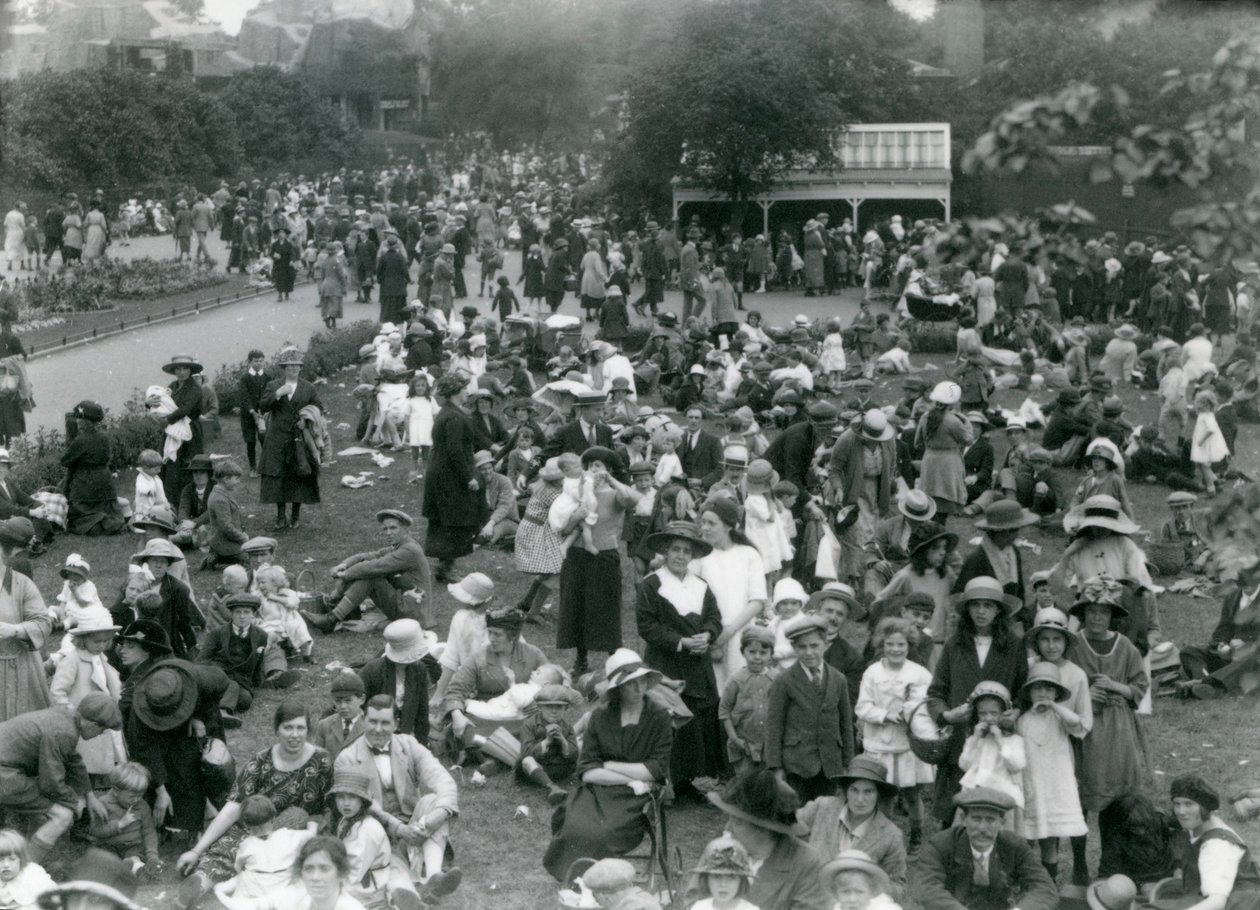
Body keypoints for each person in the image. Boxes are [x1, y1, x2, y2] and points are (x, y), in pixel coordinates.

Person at [175, 700, 334, 894]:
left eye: (300, 728)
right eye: (288, 728)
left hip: (296, 831)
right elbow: (233, 807)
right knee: (228, 847)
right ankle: (198, 883)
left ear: (308, 730)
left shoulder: (322, 760)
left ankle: (249, 874)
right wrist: (196, 850)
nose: (294, 735)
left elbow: (328, 807)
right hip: (255, 825)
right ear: (277, 730)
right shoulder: (261, 761)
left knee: (290, 822)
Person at [543, 648, 673, 882]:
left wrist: (610, 764)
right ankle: (578, 877)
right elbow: (588, 772)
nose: (639, 688)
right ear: (617, 689)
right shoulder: (601, 717)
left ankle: (594, 878)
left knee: (603, 833)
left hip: (637, 796)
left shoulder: (659, 716)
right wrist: (633, 774)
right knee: (574, 827)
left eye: (642, 680)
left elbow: (656, 770)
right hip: (598, 791)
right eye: (631, 683)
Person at [1067, 573, 1150, 886]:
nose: (1097, 617)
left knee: (1114, 801)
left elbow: (1140, 687)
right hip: (1084, 733)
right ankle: (1078, 866)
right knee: (1080, 799)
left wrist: (1116, 687)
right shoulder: (1074, 645)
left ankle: (1109, 864)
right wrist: (1086, 694)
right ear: (1083, 615)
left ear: (1113, 616)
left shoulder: (1125, 646)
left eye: (1103, 612)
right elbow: (1063, 685)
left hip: (1117, 732)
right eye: (1091, 611)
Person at [925, 576, 1028, 825]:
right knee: (955, 809)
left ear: (999, 611)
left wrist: (1016, 712)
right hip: (962, 740)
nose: (981, 611)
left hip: (997, 741)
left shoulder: (1013, 646)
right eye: (976, 605)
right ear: (967, 609)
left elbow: (1023, 690)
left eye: (988, 605)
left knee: (994, 810)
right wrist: (947, 715)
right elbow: (936, 692)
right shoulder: (955, 645)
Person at [334, 696, 461, 898]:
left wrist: (440, 812)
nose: (378, 729)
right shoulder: (347, 758)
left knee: (432, 801)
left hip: (414, 823)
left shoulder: (408, 744)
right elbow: (363, 804)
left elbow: (442, 779)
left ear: (396, 724)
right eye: (372, 721)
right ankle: (407, 893)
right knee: (389, 861)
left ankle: (434, 877)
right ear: (363, 720)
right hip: (374, 829)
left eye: (385, 723)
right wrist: (399, 829)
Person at [635, 520, 726, 797]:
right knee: (668, 717)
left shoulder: (701, 585)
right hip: (666, 664)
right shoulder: (651, 585)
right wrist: (681, 642)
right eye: (675, 549)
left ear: (692, 556)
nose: (680, 556)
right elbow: (647, 626)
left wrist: (707, 635)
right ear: (665, 551)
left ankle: (687, 781)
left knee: (696, 721)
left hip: (697, 666)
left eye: (687, 551)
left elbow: (714, 617)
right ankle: (663, 780)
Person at [0, 694, 119, 862]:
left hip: (7, 770)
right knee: (62, 815)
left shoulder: (65, 717)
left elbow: (73, 760)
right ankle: (24, 872)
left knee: (45, 813)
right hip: (5, 774)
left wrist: (90, 796)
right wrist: (74, 802)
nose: (100, 734)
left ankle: (24, 860)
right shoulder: (64, 732)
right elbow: (51, 784)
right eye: (102, 729)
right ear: (92, 724)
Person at [124, 658, 229, 845]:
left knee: (192, 765)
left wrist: (197, 715)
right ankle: (160, 825)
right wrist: (161, 790)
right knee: (155, 774)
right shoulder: (140, 711)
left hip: (194, 719)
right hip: (154, 729)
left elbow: (223, 682)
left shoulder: (203, 679)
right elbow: (146, 752)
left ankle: (197, 822)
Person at [554, 446, 639, 676]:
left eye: (599, 465)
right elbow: (564, 530)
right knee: (577, 607)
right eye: (590, 465)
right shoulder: (577, 494)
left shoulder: (615, 495)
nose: (594, 469)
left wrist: (611, 479)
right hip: (577, 557)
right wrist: (576, 517)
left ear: (608, 469)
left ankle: (615, 660)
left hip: (604, 557)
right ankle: (581, 660)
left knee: (606, 608)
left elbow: (633, 500)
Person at [855, 617, 934, 848]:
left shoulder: (919, 673)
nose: (895, 649)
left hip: (908, 745)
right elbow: (862, 707)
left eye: (901, 645)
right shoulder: (872, 672)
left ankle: (916, 836)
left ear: (909, 646)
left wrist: (912, 714)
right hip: (880, 744)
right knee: (885, 795)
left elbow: (926, 705)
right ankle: (884, 839)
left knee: (911, 794)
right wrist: (884, 715)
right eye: (890, 644)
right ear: (882, 644)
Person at [914, 787, 1058, 910]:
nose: (982, 828)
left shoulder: (1015, 846)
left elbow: (1045, 888)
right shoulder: (940, 845)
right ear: (964, 819)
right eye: (976, 819)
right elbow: (928, 888)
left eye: (990, 820)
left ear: (1002, 823)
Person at [706, 768, 830, 910]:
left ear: (764, 828)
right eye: (729, 818)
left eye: (737, 822)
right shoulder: (722, 849)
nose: (728, 827)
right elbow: (695, 898)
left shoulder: (807, 864)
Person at [766, 614, 856, 802]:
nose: (809, 652)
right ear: (793, 648)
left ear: (825, 645)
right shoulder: (784, 681)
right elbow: (774, 726)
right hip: (796, 764)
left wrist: (849, 761)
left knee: (826, 812)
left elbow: (846, 724)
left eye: (814, 646)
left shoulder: (838, 679)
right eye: (802, 647)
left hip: (830, 763)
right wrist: (775, 766)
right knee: (798, 813)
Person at [797, 755, 908, 897]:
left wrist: (868, 891)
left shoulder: (891, 835)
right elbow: (785, 827)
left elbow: (897, 885)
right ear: (846, 790)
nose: (860, 799)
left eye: (868, 791)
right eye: (854, 790)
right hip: (809, 899)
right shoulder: (822, 807)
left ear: (878, 794)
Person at [303, 510, 430, 631]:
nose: (388, 533)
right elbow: (365, 556)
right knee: (366, 573)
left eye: (393, 528)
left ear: (405, 529)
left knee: (372, 577)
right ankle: (334, 608)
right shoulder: (398, 546)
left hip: (414, 613)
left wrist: (346, 574)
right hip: (406, 602)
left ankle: (331, 615)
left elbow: (375, 567)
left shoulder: (409, 550)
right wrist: (343, 565)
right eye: (385, 529)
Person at [692, 497, 768, 691]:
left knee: (739, 689)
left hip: (741, 631)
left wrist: (730, 630)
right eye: (703, 522)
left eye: (711, 523)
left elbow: (757, 600)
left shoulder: (748, 554)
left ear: (728, 526)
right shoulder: (700, 555)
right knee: (712, 688)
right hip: (708, 632)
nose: (705, 528)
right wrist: (712, 633)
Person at [1152, 776, 1260, 910]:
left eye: (1189, 804)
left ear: (1205, 808)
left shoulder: (1217, 846)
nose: (1181, 811)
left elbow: (1216, 903)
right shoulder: (1200, 827)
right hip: (1208, 895)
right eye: (1177, 804)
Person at [423, 373, 482, 583]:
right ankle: (446, 568)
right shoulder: (454, 417)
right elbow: (455, 450)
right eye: (464, 389)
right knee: (452, 518)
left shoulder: (448, 413)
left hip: (442, 472)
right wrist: (469, 477)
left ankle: (445, 566)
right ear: (455, 393)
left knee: (446, 518)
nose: (467, 391)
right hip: (448, 476)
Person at [259, 350, 322, 531]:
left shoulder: (308, 387)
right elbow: (263, 405)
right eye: (290, 366)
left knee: (299, 474)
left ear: (300, 368)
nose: (293, 368)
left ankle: (295, 516)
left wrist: (306, 419)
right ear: (284, 368)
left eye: (297, 366)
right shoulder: (273, 385)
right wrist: (277, 394)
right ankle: (280, 517)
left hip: (299, 438)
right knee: (278, 475)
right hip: (277, 437)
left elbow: (318, 406)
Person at [85, 762, 160, 878]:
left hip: (132, 846)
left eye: (140, 795)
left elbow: (149, 832)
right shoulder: (103, 804)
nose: (136, 800)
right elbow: (95, 831)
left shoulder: (142, 806)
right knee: (105, 857)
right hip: (108, 844)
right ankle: (120, 869)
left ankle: (136, 868)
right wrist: (119, 825)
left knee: (135, 855)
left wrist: (152, 855)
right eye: (132, 796)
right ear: (116, 791)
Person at [61, 400, 125, 535]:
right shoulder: (104, 436)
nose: (77, 421)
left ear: (83, 421)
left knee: (80, 515)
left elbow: (65, 461)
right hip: (104, 481)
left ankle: (99, 524)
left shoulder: (80, 440)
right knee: (105, 509)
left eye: (79, 418)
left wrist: (70, 437)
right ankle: (109, 522)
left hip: (85, 483)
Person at [312, 672, 366, 760]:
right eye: (338, 701)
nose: (343, 706)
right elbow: (317, 760)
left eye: (348, 701)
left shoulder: (371, 726)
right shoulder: (324, 725)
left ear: (362, 699)